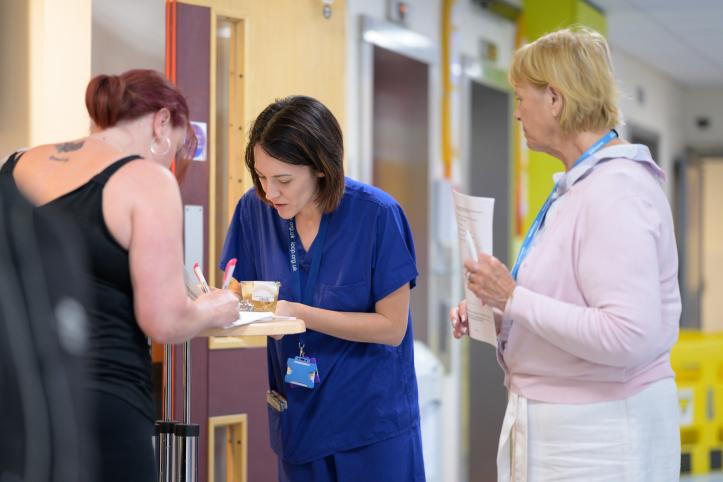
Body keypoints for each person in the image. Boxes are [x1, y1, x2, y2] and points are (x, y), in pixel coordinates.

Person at [449, 27, 681, 481]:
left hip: (602, 438)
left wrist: (514, 298)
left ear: (554, 99)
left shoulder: (616, 192)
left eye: (521, 98)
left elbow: (626, 335)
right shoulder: (583, 185)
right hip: (565, 427)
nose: (516, 114)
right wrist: (501, 313)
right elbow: (572, 307)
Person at [0, 69, 241, 482]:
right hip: (103, 401)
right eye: (176, 151)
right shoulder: (147, 181)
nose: (169, 163)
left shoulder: (18, 163)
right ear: (162, 122)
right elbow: (164, 321)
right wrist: (213, 308)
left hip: (20, 397)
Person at [220, 95, 425, 482]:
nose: (270, 193)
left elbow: (391, 328)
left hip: (370, 426)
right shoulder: (255, 211)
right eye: (261, 178)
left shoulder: (378, 216)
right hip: (299, 417)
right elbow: (245, 291)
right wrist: (221, 301)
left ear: (321, 169)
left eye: (283, 180)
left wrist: (298, 313)